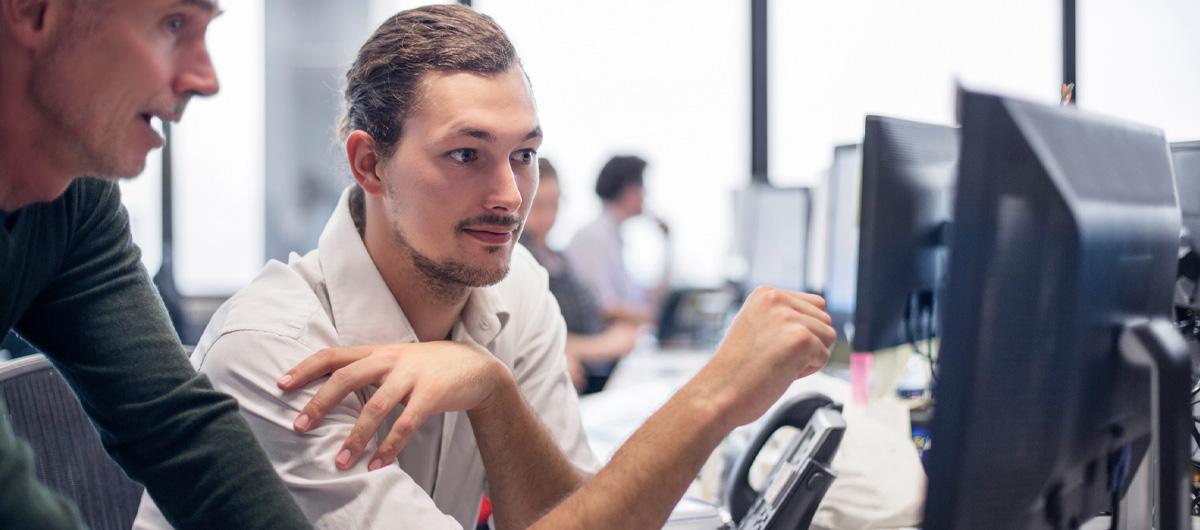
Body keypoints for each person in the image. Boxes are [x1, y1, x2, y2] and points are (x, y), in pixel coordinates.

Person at [139, 5, 835, 529]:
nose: (510, 197)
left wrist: (492, 390)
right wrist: (713, 398)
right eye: (466, 155)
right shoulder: (276, 356)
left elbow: (570, 515)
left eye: (524, 154)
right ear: (368, 164)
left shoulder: (514, 287)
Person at [0, 0, 311, 528]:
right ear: (35, 12)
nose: (205, 79)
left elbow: (177, 426)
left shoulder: (73, 201)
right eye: (173, 25)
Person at [521, 157, 639, 393]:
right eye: (539, 206)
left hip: (599, 370)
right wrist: (605, 345)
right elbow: (531, 339)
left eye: (554, 205)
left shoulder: (559, 257)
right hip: (579, 379)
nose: (548, 217)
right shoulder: (521, 260)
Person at [565, 154, 669, 325]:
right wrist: (650, 316)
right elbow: (604, 307)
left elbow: (641, 298)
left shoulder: (613, 236)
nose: (646, 195)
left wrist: (667, 243)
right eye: (642, 186)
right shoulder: (592, 237)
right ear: (629, 190)